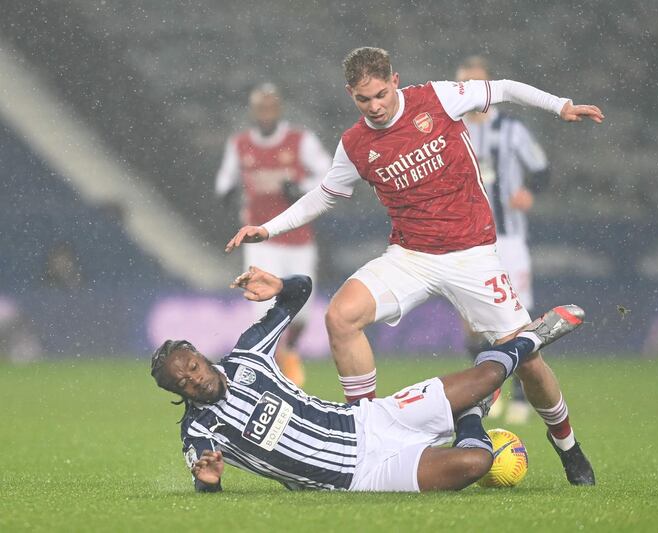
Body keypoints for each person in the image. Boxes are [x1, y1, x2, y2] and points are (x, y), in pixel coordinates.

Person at [225, 47, 603, 485]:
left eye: (382, 94)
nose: (376, 106)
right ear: (351, 94)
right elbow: (325, 194)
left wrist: (561, 106)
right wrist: (267, 229)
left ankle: (569, 448)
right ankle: (364, 433)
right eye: (364, 100)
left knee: (529, 360)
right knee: (340, 317)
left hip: (471, 254)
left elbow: (501, 89)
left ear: (395, 80)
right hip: (411, 256)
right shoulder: (355, 145)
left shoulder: (437, 99)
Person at [150, 266, 585, 492]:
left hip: (371, 421)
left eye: (192, 366)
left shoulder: (248, 355)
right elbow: (206, 475)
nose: (193, 380)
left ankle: (532, 338)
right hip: (360, 477)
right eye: (181, 383)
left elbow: (300, 290)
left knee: (488, 374)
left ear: (201, 356)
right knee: (476, 464)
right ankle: (469, 416)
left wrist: (279, 284)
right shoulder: (199, 429)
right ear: (177, 394)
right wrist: (207, 483)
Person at [215, 82, 332, 386]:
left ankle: (289, 350)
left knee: (302, 310)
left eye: (270, 107)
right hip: (259, 240)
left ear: (278, 109)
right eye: (260, 108)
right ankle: (267, 364)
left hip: (298, 238)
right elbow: (225, 180)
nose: (266, 113)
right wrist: (229, 194)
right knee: (264, 306)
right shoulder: (240, 144)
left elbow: (327, 171)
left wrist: (301, 188)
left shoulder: (299, 140)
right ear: (253, 111)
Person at [454, 56, 551, 425]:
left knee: (519, 317)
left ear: (489, 88)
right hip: (466, 241)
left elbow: (542, 170)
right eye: (465, 84)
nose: (472, 92)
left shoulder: (512, 129)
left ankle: (522, 397)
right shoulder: (451, 129)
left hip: (508, 238)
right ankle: (486, 391)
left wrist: (529, 190)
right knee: (472, 321)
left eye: (478, 84)